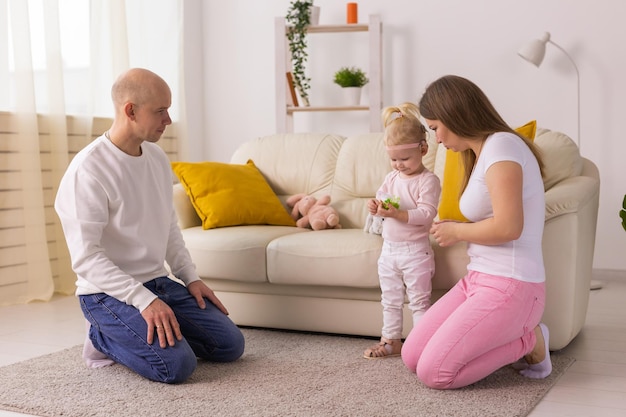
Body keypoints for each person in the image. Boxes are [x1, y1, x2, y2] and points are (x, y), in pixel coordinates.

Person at [54, 68, 245, 384]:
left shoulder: (156, 158)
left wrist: (191, 278)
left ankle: (147, 330)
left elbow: (168, 225)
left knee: (229, 345)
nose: (168, 120)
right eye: (160, 111)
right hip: (105, 294)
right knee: (176, 366)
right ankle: (102, 337)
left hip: (158, 282)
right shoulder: (88, 171)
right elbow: (86, 259)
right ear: (130, 111)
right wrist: (143, 301)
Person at [401, 75, 551, 389]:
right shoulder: (483, 151)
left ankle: (530, 340)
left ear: (455, 116)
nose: (437, 140)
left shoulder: (503, 147)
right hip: (478, 279)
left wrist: (458, 232)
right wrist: (457, 228)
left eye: (435, 128)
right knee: (411, 356)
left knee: (435, 374)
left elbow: (510, 227)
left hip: (512, 286)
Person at [363, 102, 441, 359]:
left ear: (423, 149)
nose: (398, 164)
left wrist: (396, 213)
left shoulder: (427, 180)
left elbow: (426, 214)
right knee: (390, 300)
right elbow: (381, 200)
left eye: (404, 159)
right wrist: (374, 206)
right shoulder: (391, 178)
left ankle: (423, 346)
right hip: (389, 251)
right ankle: (390, 341)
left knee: (419, 302)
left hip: (415, 252)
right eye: (393, 159)